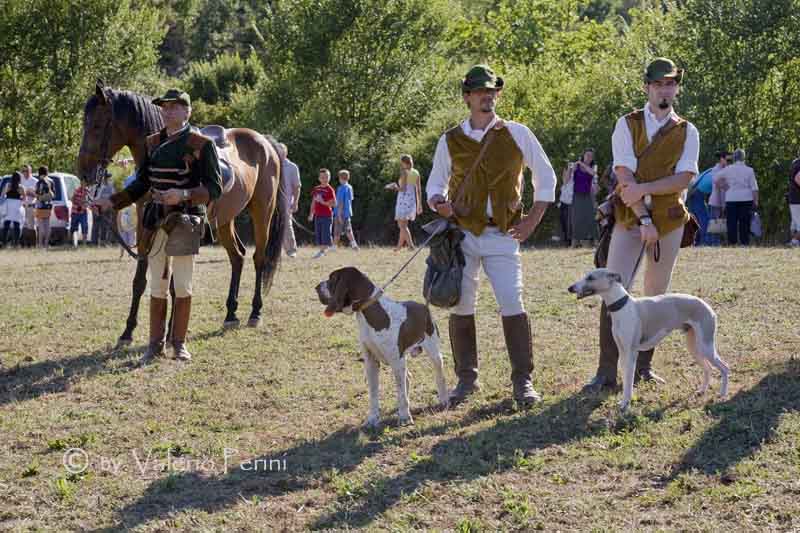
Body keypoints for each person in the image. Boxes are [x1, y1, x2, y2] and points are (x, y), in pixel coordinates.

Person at [426, 64, 557, 408]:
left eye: (492, 91)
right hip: (463, 232)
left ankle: (523, 382)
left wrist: (532, 221)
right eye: (480, 92)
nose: (488, 96)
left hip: (504, 232)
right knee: (461, 303)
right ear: (467, 97)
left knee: (512, 302)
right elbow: (435, 184)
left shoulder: (517, 133)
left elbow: (546, 177)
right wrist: (438, 203)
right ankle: (466, 380)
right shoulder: (450, 139)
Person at [583, 57, 700, 393]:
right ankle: (606, 371)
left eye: (670, 83)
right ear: (647, 87)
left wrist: (647, 190)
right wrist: (644, 216)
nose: (665, 89)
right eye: (659, 84)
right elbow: (624, 175)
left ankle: (643, 368)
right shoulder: (627, 123)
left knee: (655, 294)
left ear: (677, 87)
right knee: (610, 288)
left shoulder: (687, 130)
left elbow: (685, 177)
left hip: (671, 220)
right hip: (629, 215)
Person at [93, 88, 222, 363]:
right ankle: (155, 345)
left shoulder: (202, 144)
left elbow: (214, 188)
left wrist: (184, 195)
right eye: (164, 107)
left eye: (175, 107)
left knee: (183, 285)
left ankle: (179, 344)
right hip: (154, 219)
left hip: (186, 220)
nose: (168, 111)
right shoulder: (152, 143)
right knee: (157, 284)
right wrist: (110, 202)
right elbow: (142, 183)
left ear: (187, 112)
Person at [715, 148, 759, 246]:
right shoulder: (749, 170)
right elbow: (754, 188)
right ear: (744, 158)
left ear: (734, 158)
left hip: (731, 198)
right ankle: (744, 243)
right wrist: (756, 201)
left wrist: (723, 186)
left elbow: (715, 178)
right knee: (744, 222)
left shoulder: (728, 169)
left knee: (731, 222)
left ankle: (732, 243)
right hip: (746, 199)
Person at [570, 149, 599, 246]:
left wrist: (581, 163)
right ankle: (575, 242)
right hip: (576, 194)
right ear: (583, 155)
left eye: (591, 156)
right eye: (587, 155)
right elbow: (567, 179)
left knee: (591, 217)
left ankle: (595, 240)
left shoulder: (594, 166)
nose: (589, 157)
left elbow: (593, 173)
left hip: (589, 195)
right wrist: (571, 169)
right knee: (576, 218)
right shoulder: (576, 166)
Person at [277, 143, 301, 257]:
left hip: (286, 202)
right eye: (277, 150)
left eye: (281, 151)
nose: (279, 153)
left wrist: (295, 202)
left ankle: (291, 250)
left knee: (287, 226)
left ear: (286, 152)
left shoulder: (292, 167)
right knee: (273, 226)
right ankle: (275, 251)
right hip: (272, 202)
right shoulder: (271, 164)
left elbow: (297, 186)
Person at [394, 154, 422, 250]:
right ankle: (399, 247)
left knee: (401, 225)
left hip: (403, 199)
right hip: (411, 199)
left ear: (404, 163)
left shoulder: (404, 172)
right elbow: (418, 189)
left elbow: (403, 189)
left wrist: (393, 187)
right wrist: (419, 204)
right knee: (403, 225)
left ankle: (411, 246)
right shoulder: (416, 172)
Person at [308, 168, 336, 259]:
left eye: (327, 177)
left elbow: (334, 203)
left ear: (329, 178)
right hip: (318, 215)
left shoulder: (330, 190)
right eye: (323, 177)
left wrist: (323, 202)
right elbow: (313, 202)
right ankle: (323, 249)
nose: (325, 179)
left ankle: (322, 251)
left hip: (327, 215)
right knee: (319, 233)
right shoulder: (316, 189)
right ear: (319, 178)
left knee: (325, 233)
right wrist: (311, 213)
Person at [706, 150, 730, 245]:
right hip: (716, 202)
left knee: (721, 225)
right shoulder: (716, 169)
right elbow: (718, 184)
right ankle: (712, 243)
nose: (728, 162)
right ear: (721, 159)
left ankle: (717, 243)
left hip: (724, 201)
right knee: (714, 224)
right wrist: (728, 187)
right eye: (727, 160)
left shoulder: (726, 169)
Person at [332, 169, 359, 250]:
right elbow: (350, 199)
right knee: (348, 230)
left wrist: (339, 215)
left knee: (337, 231)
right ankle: (354, 245)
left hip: (340, 213)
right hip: (347, 213)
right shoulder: (350, 187)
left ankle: (334, 247)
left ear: (340, 178)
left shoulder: (341, 188)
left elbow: (340, 202)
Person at [91, 171, 116, 245]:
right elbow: (92, 198)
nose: (107, 179)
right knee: (96, 226)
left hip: (107, 209)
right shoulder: (97, 186)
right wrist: (95, 207)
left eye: (108, 178)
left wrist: (109, 206)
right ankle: (94, 242)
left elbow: (113, 198)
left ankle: (103, 242)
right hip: (97, 208)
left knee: (105, 226)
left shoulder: (111, 187)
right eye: (106, 177)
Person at [1, 172, 24, 247]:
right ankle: (16, 243)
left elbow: (2, 195)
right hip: (17, 205)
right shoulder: (20, 187)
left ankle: (4, 242)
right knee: (16, 224)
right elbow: (24, 197)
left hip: (8, 205)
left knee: (6, 224)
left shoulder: (8, 185)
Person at [34, 166, 55, 249]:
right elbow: (54, 194)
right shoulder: (51, 181)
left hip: (40, 205)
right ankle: (46, 244)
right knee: (47, 225)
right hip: (48, 206)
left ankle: (40, 244)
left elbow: (37, 194)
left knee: (41, 225)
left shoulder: (39, 182)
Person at [20, 165, 38, 246]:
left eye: (26, 171)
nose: (25, 173)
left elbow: (38, 196)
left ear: (30, 171)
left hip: (31, 206)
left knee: (31, 227)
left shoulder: (35, 181)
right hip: (21, 207)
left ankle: (33, 245)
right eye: (23, 171)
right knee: (23, 226)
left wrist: (31, 193)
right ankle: (23, 244)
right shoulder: (21, 181)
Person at [70, 180, 91, 246]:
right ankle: (74, 243)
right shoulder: (77, 190)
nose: (83, 184)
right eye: (82, 183)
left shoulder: (88, 192)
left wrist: (83, 202)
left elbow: (89, 202)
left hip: (83, 212)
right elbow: (72, 199)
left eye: (84, 183)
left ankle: (84, 244)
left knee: (84, 227)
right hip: (75, 211)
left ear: (86, 183)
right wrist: (80, 202)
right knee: (74, 228)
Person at [558, 162, 574, 246]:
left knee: (571, 223)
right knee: (564, 221)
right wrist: (570, 169)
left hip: (574, 201)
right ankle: (565, 241)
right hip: (564, 201)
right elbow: (565, 180)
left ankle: (571, 241)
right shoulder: (567, 171)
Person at [789, 157, 800, 247]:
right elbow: (797, 178)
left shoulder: (795, 162)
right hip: (798, 197)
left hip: (793, 197)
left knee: (794, 222)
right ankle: (794, 241)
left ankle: (795, 242)